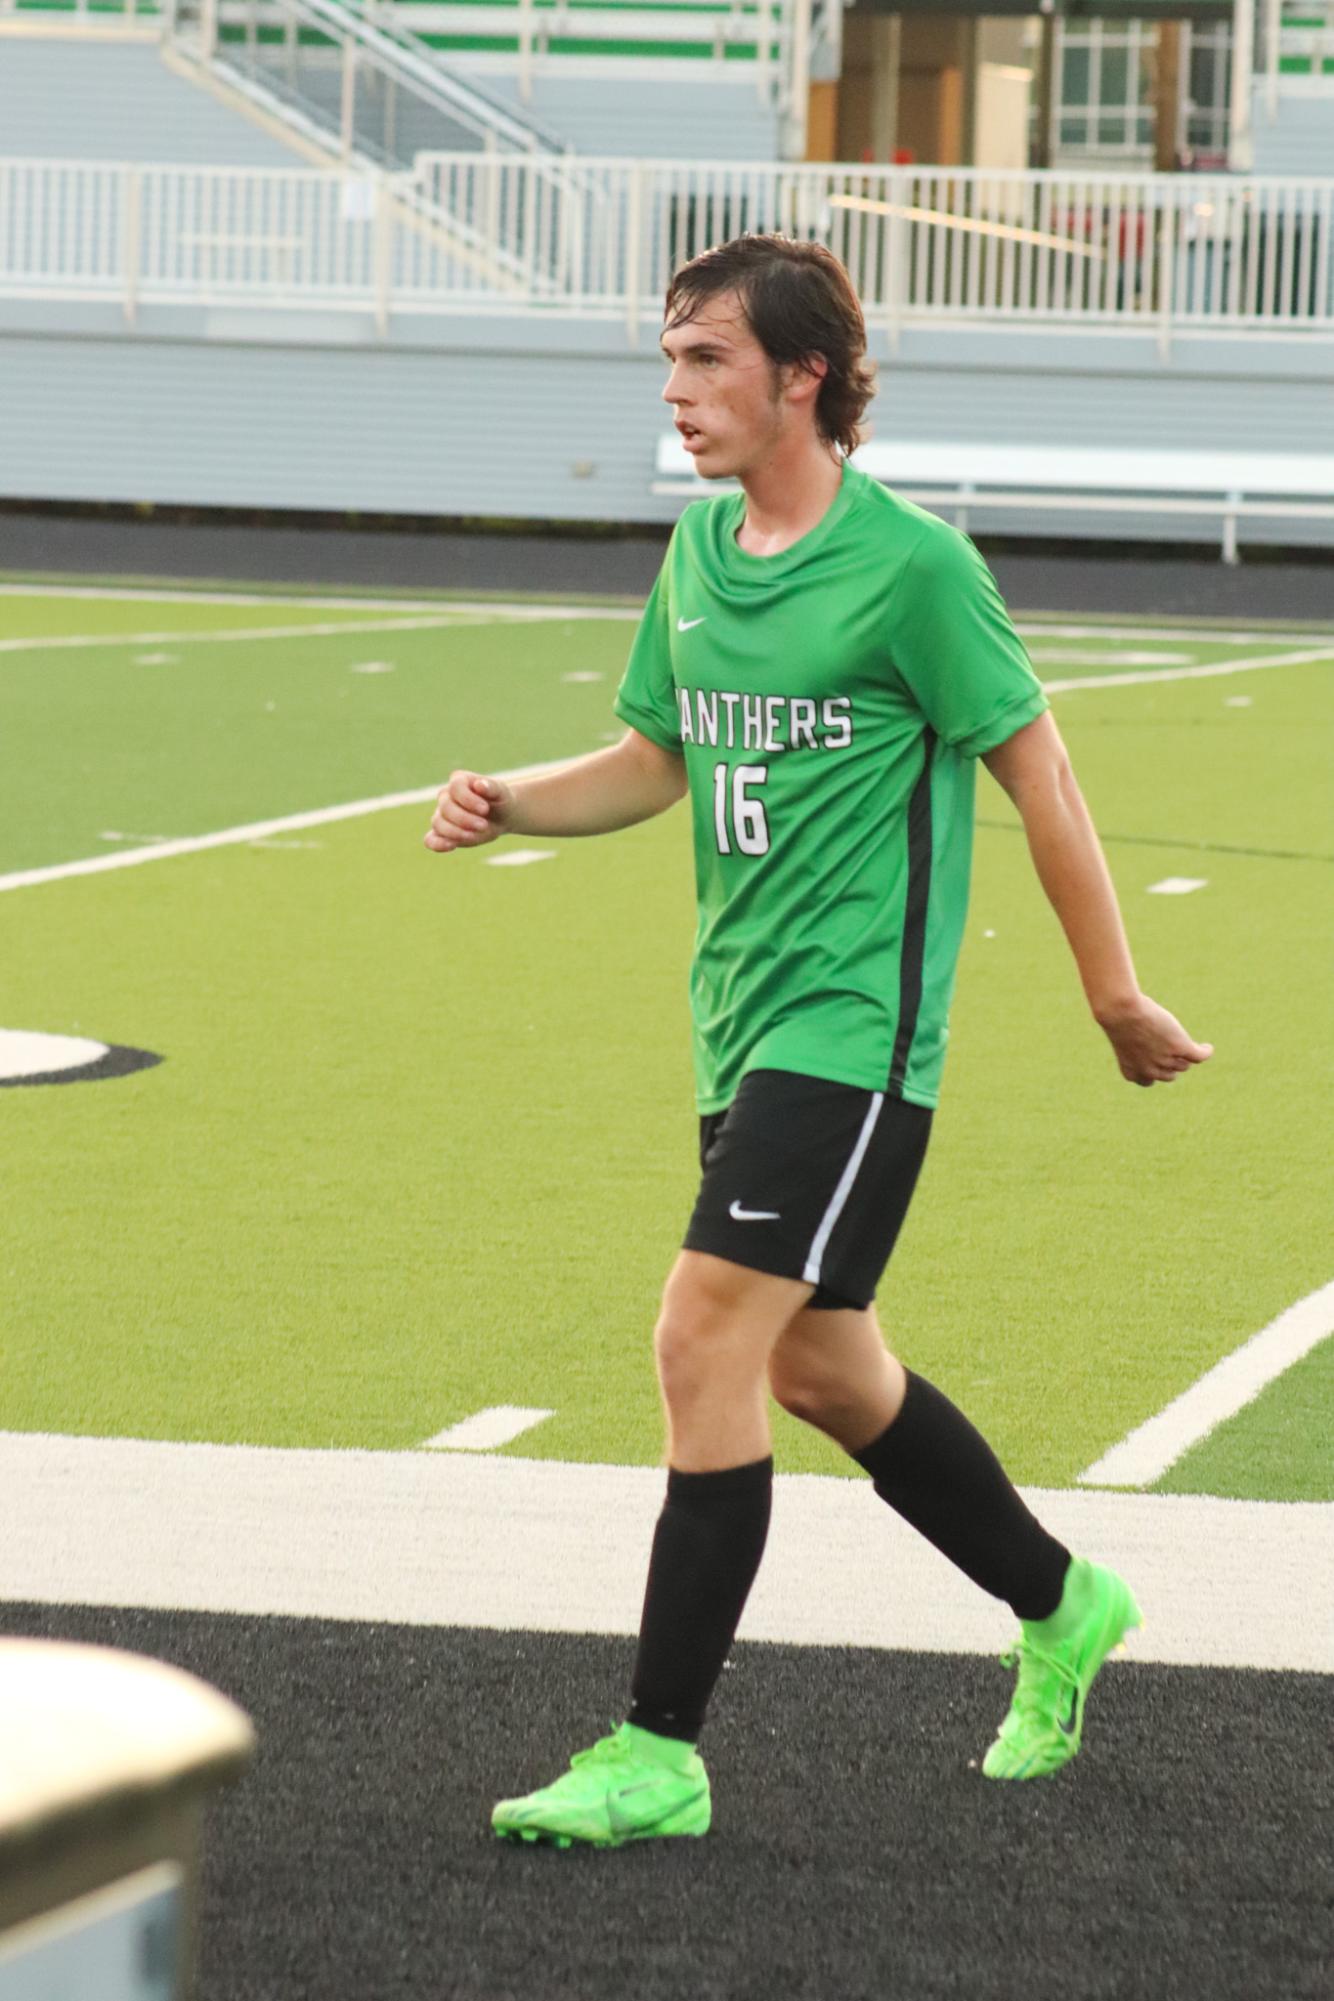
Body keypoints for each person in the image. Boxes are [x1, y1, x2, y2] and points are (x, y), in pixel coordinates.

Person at [425, 234, 1212, 1849]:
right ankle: (1063, 1604)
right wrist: (512, 801)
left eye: (705, 359)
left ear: (802, 376)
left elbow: (1038, 776)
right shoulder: (702, 554)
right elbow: (653, 756)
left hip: (853, 1039)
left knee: (700, 1337)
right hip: (737, 1028)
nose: (673, 390)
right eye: (667, 357)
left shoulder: (914, 568)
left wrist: (1110, 991)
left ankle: (659, 1749)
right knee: (822, 1365)